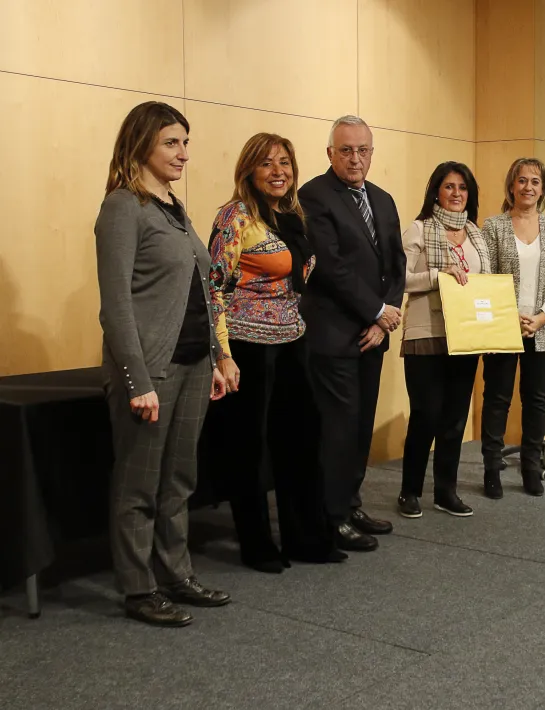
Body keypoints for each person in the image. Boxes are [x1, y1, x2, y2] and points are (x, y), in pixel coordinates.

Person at [94, 101, 230, 627]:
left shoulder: (172, 206)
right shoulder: (123, 207)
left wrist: (218, 357)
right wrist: (136, 380)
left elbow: (200, 287)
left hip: (194, 364)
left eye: (186, 143)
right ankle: (138, 588)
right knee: (138, 485)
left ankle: (176, 574)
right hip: (151, 371)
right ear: (141, 145)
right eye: (171, 142)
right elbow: (116, 306)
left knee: (178, 480)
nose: (183, 153)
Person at [205, 133, 343, 573]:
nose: (278, 171)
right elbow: (214, 290)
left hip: (292, 339)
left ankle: (307, 538)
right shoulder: (234, 217)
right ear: (249, 170)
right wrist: (222, 354)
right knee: (249, 449)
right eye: (267, 164)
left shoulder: (291, 214)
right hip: (246, 345)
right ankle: (257, 544)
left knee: (303, 441)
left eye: (284, 162)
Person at [298, 115, 405, 551]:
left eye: (363, 150)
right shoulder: (313, 196)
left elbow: (395, 263)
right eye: (346, 150)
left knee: (361, 425)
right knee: (338, 429)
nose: (355, 158)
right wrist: (377, 311)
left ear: (372, 153)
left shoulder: (382, 198)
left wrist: (385, 317)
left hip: (372, 334)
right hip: (333, 334)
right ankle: (333, 514)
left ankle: (351, 500)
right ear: (330, 154)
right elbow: (331, 266)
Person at [397, 162, 491, 519]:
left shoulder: (476, 235)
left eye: (462, 188)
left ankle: (445, 492)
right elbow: (400, 280)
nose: (456, 194)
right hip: (426, 334)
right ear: (436, 191)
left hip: (466, 336)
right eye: (449, 187)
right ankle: (409, 491)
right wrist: (439, 276)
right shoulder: (419, 230)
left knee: (454, 418)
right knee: (425, 414)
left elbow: (483, 283)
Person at [480, 158, 545, 498]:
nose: (528, 187)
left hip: (543, 328)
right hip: (502, 327)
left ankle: (532, 467)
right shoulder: (493, 227)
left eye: (535, 181)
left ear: (543, 188)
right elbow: (485, 278)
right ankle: (492, 468)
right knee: (497, 399)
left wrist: (542, 317)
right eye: (522, 180)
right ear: (511, 186)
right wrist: (509, 316)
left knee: (535, 402)